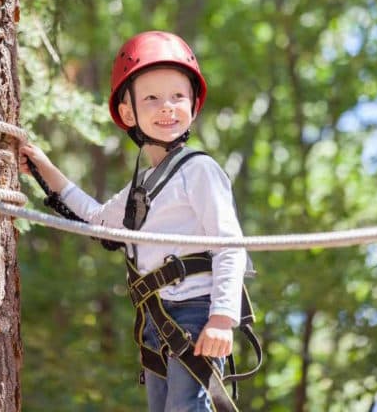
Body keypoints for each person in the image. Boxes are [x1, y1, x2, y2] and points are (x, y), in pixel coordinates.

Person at [19, 31, 250, 411]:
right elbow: (95, 219)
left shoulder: (200, 170)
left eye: (178, 96)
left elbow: (230, 243)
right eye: (152, 98)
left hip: (195, 311)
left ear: (193, 104)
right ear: (129, 113)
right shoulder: (140, 189)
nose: (167, 107)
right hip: (156, 320)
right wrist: (46, 171)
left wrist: (223, 318)